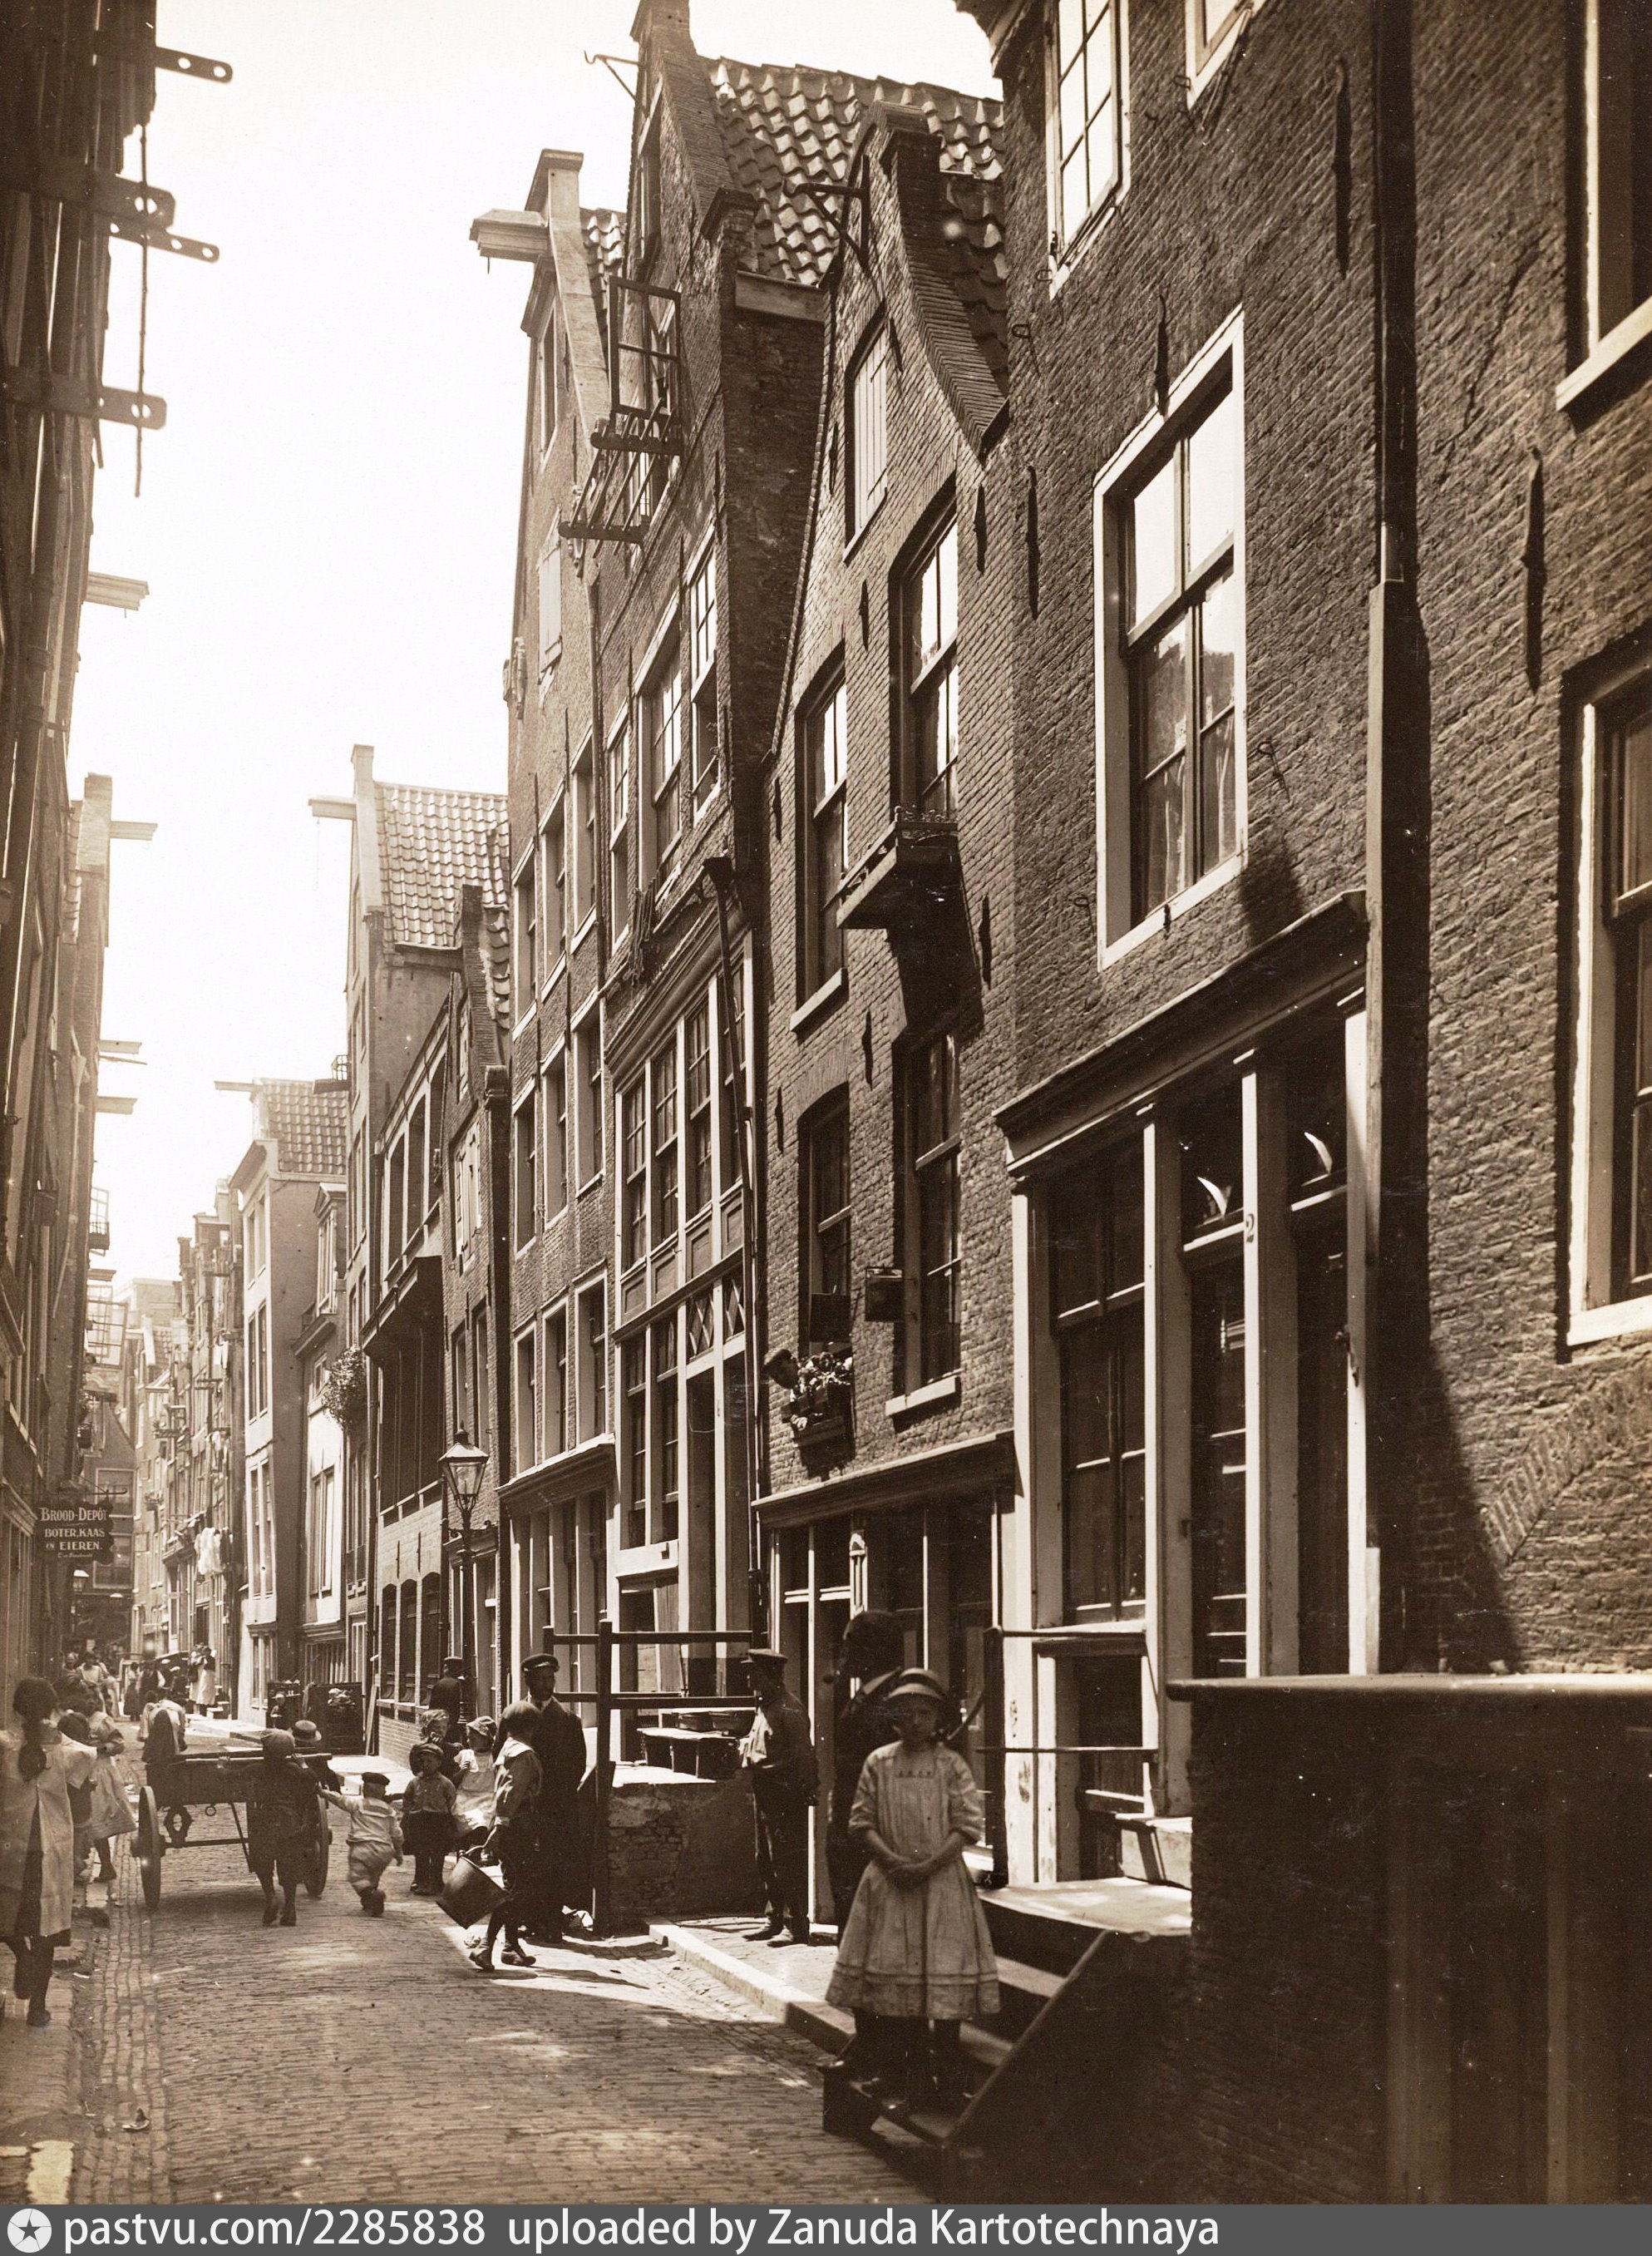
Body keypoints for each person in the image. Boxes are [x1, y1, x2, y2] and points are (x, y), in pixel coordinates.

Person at [826, 1669, 999, 2109]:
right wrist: (894, 1862)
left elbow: (967, 1825)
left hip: (941, 1886)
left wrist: (929, 1864)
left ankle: (948, 2085)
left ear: (938, 1719)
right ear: (894, 1719)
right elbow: (861, 1821)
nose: (916, 1722)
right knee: (900, 1985)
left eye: (924, 1713)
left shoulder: (951, 1765)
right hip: (890, 1885)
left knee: (941, 1980)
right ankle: (909, 2078)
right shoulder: (879, 1762)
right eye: (906, 1714)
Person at [1, 1679, 98, 2028]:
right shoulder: (68, 1750)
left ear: (16, 1707)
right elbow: (87, 1766)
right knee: (45, 1930)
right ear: (50, 1709)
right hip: (49, 1852)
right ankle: (37, 2009)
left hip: (9, 1848)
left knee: (7, 1917)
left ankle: (22, 1956)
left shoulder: (4, 1744)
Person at [826, 1612, 906, 1932]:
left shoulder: (895, 1700)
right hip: (851, 1832)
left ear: (872, 1650)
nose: (843, 1653)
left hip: (875, 1836)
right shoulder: (863, 1696)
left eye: (850, 1643)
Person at [738, 1646, 819, 1947]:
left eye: (754, 1674)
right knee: (765, 1857)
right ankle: (774, 1918)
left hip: (785, 1791)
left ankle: (795, 1923)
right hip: (764, 1789)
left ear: (770, 1676)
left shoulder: (789, 1709)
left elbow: (804, 1755)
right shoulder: (764, 1707)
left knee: (786, 1858)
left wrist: (805, 1789)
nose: (749, 1680)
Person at [518, 1651, 585, 1943]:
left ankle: (552, 1922)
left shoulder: (568, 1720)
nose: (547, 1685)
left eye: (550, 1679)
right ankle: (528, 1920)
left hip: (554, 1807)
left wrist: (558, 1797)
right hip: (523, 1805)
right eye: (540, 1679)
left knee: (554, 1863)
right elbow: (500, 1756)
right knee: (525, 1864)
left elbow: (577, 1765)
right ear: (528, 1680)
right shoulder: (515, 1716)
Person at [469, 1702, 541, 1972]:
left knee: (514, 1886)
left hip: (509, 1824)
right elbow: (510, 1794)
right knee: (513, 1890)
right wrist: (500, 1828)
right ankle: (486, 1946)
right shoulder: (524, 1755)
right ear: (531, 1727)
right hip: (517, 1826)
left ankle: (511, 1946)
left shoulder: (507, 1750)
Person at [244, 1729, 320, 1927]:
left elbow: (230, 1778)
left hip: (265, 1820)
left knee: (262, 1861)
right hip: (289, 1822)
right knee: (289, 1864)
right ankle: (290, 1908)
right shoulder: (295, 1771)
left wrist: (222, 1766)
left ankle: (271, 1897)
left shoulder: (255, 1769)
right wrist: (303, 1764)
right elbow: (312, 1780)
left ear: (266, 1751)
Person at [322, 1770, 402, 1914]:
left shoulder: (358, 1804)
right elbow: (397, 1834)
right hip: (384, 1851)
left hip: (362, 1847)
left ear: (365, 1789)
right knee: (374, 1876)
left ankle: (372, 1895)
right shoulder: (389, 1811)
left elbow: (338, 1799)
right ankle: (370, 1901)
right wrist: (399, 1853)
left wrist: (322, 1792)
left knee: (357, 1877)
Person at [402, 1740, 457, 1895]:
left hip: (437, 1822)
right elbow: (408, 1798)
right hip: (419, 1821)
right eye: (423, 1761)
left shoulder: (445, 1783)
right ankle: (420, 1880)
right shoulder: (415, 1782)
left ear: (438, 1763)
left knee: (438, 1853)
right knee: (421, 1853)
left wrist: (449, 1820)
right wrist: (409, 1813)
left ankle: (436, 1882)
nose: (425, 1765)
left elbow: (452, 1801)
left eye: (430, 1761)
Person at [452, 1716, 496, 1851]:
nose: (468, 1741)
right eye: (468, 1738)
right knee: (469, 1817)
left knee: (484, 1820)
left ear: (486, 1739)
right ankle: (467, 1847)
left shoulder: (493, 1757)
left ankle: (478, 1849)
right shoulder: (465, 1755)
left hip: (486, 1797)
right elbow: (453, 1780)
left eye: (473, 1739)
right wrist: (461, 1771)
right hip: (465, 1797)